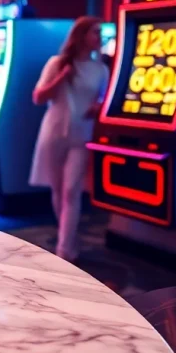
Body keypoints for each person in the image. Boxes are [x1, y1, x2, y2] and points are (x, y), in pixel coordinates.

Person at [29, 16, 109, 261]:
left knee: (71, 189)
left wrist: (98, 107)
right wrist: (62, 77)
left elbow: (103, 99)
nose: (100, 38)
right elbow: (38, 97)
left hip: (82, 134)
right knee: (57, 189)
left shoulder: (101, 69)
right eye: (96, 32)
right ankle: (69, 240)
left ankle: (63, 250)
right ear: (82, 35)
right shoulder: (57, 63)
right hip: (54, 131)